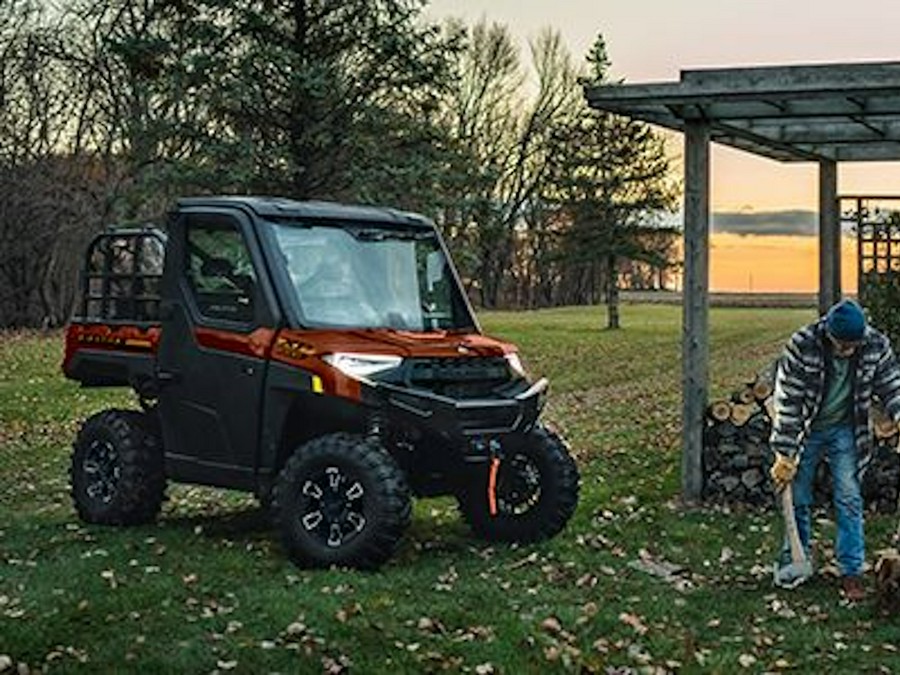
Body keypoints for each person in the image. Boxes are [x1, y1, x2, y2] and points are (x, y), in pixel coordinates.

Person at [769, 298, 900, 601]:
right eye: (841, 344)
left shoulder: (875, 344)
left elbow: (892, 385)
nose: (846, 350)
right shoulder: (803, 345)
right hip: (807, 428)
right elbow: (788, 400)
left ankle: (851, 570)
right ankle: (795, 561)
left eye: (852, 344)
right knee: (797, 496)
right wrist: (785, 453)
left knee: (849, 497)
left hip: (847, 429)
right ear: (828, 333)